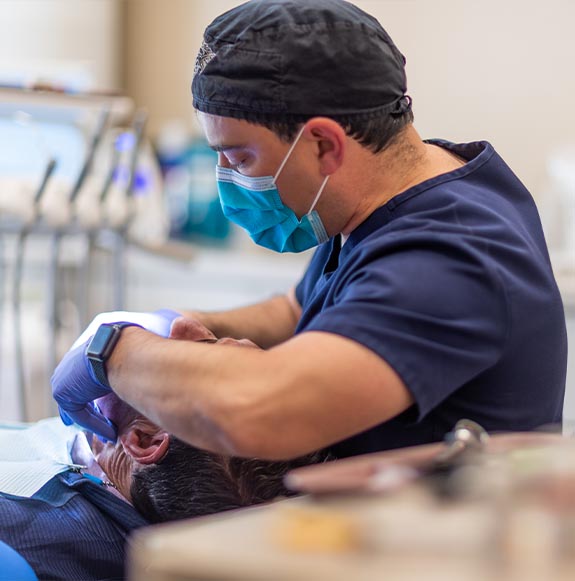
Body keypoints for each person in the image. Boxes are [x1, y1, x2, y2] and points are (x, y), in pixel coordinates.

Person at [52, 0, 567, 463]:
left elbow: (262, 410)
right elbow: (299, 310)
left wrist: (113, 352)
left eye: (240, 156)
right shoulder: (381, 198)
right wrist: (179, 322)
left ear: (324, 144)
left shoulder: (452, 255)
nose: (229, 179)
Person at [0, 392, 326, 580]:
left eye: (201, 366)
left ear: (144, 440)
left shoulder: (27, 540)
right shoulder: (94, 460)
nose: (185, 332)